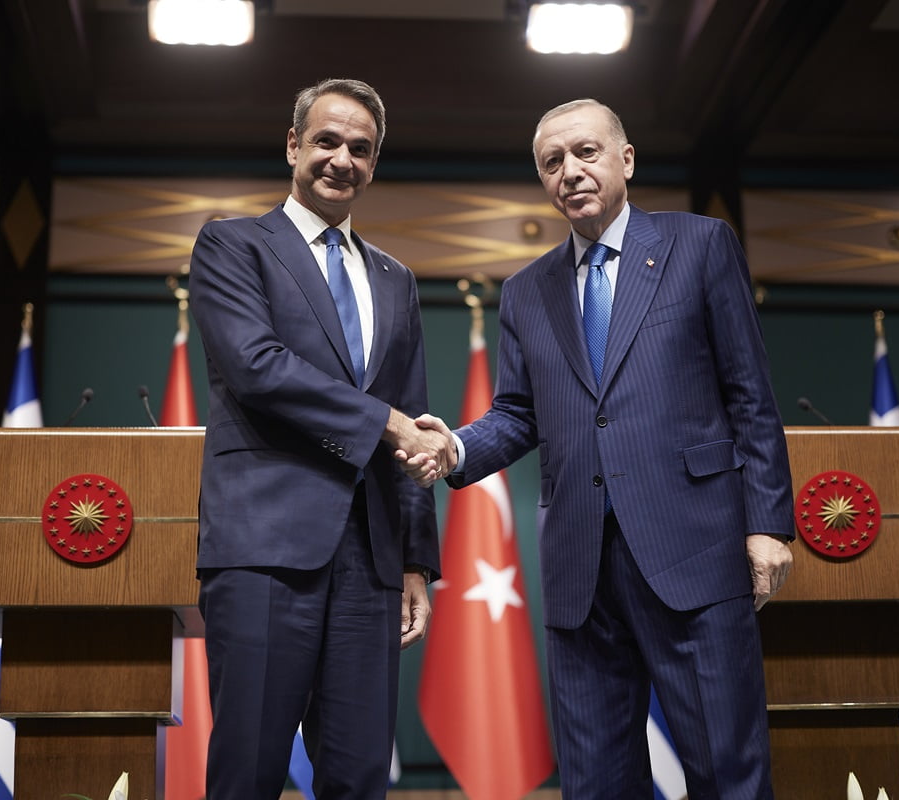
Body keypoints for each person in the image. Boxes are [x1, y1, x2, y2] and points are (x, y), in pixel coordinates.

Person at [403, 99, 795, 799]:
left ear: (626, 159)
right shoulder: (526, 291)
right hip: (581, 570)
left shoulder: (700, 245)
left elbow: (750, 395)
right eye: (551, 162)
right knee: (596, 783)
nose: (570, 171)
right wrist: (455, 449)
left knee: (726, 772)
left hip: (694, 552)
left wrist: (767, 524)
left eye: (585, 152)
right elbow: (518, 413)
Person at [189, 77, 451, 800]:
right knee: (248, 771)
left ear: (374, 163)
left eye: (360, 149)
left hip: (372, 563)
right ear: (293, 145)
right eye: (327, 141)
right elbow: (258, 368)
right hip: (264, 552)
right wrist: (385, 422)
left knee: (360, 778)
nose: (342, 159)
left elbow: (415, 419)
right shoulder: (233, 244)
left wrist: (415, 561)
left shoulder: (396, 278)